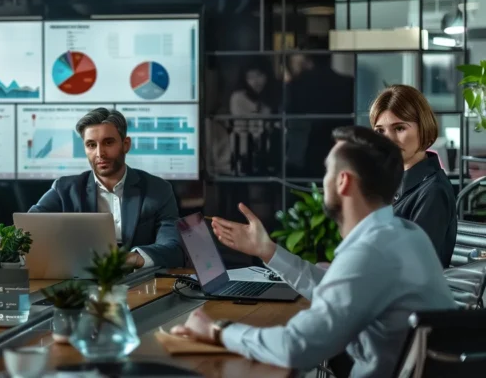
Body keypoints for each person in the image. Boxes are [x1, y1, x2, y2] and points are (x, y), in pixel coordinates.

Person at [170, 126, 456, 378]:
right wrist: (267, 251)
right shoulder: (404, 234)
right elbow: (337, 293)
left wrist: (217, 332)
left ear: (343, 181)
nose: (323, 181)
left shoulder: (371, 251)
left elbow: (298, 347)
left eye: (327, 172)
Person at [29, 107, 183, 268]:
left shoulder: (158, 190)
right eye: (91, 145)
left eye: (108, 142)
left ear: (126, 144)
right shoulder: (64, 189)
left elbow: (173, 248)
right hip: (79, 281)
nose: (100, 153)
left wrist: (130, 259)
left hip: (140, 283)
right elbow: (28, 229)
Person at [370, 84, 457, 267]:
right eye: (380, 131)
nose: (388, 140)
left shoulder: (433, 191)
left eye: (399, 128)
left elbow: (415, 266)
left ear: (423, 128)